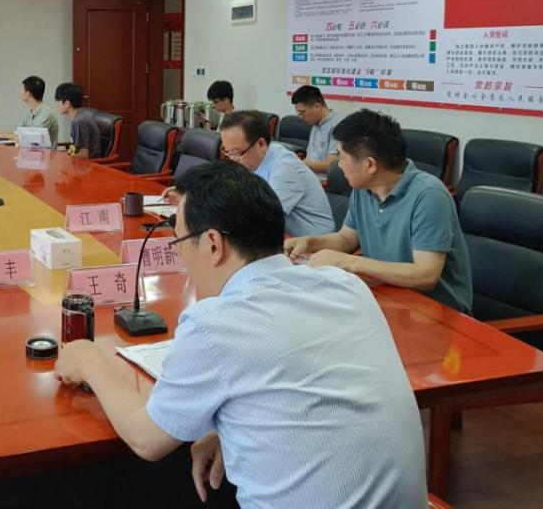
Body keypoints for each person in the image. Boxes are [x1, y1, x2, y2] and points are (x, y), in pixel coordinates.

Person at [55, 162, 427, 508]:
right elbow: (317, 389)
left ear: (212, 244)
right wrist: (231, 428)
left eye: (180, 242)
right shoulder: (344, 285)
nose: (183, 257)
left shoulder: (217, 324)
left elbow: (145, 439)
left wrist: (89, 361)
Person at [285, 109, 473, 313]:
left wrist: (349, 262)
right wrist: (309, 243)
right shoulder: (363, 189)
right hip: (388, 297)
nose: (339, 165)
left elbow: (425, 275)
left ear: (369, 165)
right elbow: (346, 239)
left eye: (342, 157)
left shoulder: (429, 195)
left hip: (437, 312)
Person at [214, 110, 333, 236]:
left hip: (315, 242)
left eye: (237, 152)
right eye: (228, 152)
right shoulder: (254, 160)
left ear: (261, 144)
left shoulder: (285, 168)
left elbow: (262, 218)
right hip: (282, 236)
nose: (233, 159)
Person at [290, 84, 342, 175]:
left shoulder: (337, 126)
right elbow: (311, 158)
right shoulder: (315, 124)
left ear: (317, 106)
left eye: (302, 112)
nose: (301, 117)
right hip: (309, 175)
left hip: (324, 180)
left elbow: (331, 166)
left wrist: (300, 163)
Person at [55, 82, 100, 159]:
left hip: (89, 163)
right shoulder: (78, 116)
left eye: (58, 101)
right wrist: (64, 154)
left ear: (67, 103)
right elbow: (75, 148)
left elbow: (84, 155)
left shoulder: (80, 121)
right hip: (79, 161)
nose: (56, 105)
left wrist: (63, 158)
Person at [17, 75, 59, 148]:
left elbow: (33, 139)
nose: (21, 92)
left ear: (29, 93)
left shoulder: (46, 114)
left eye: (23, 89)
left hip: (46, 154)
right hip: (30, 153)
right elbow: (19, 133)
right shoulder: (27, 112)